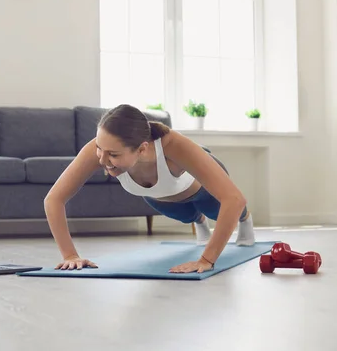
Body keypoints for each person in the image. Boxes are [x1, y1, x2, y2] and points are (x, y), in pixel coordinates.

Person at [43, 104, 255, 274]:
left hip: (201, 189)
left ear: (142, 148)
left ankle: (246, 220)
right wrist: (70, 255)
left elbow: (233, 199)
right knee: (187, 216)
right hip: (159, 196)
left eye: (114, 155)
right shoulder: (100, 150)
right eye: (100, 149)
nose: (102, 159)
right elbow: (54, 199)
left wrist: (207, 259)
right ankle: (199, 221)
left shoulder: (173, 145)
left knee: (224, 211)